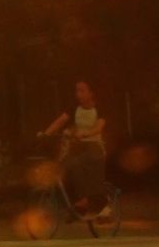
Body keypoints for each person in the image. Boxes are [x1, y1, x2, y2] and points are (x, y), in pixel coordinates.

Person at [42, 81, 110, 219]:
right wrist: (45, 134)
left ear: (91, 93)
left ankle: (84, 201)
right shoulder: (74, 108)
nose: (78, 94)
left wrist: (86, 134)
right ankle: (75, 203)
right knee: (63, 166)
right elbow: (60, 121)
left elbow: (99, 127)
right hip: (78, 147)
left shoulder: (99, 108)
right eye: (77, 91)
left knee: (75, 164)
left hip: (94, 147)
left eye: (82, 90)